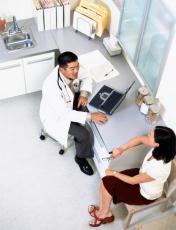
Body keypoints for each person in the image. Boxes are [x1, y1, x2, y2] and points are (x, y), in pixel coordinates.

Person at [88, 126, 176, 227]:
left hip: (144, 194)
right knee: (106, 182)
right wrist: (121, 149)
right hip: (141, 175)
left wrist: (114, 173)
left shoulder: (159, 168)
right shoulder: (161, 149)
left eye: (151, 135)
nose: (148, 135)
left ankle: (104, 215)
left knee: (107, 183)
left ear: (157, 144)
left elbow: (132, 181)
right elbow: (140, 139)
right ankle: (105, 212)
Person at [40, 51, 108, 176]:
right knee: (83, 134)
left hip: (68, 105)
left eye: (77, 66)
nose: (76, 71)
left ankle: (80, 121)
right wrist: (90, 116)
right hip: (56, 117)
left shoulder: (72, 68)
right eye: (72, 69)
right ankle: (80, 158)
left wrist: (83, 94)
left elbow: (87, 77)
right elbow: (64, 113)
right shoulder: (51, 87)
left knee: (86, 105)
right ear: (61, 70)